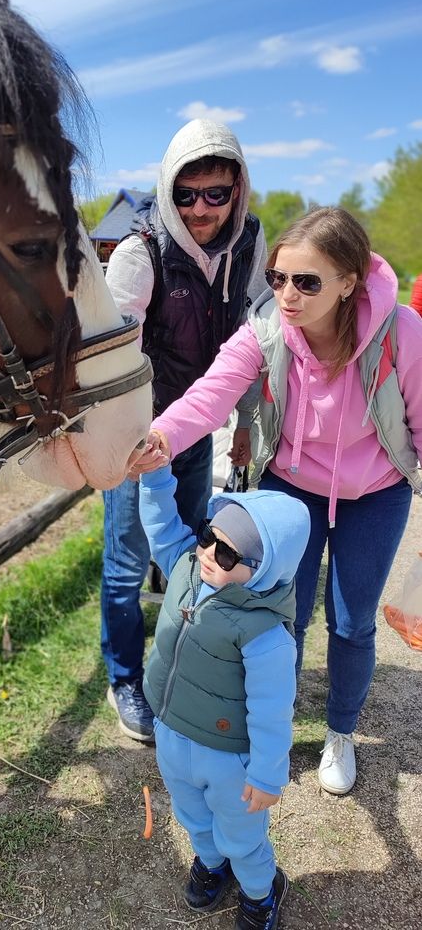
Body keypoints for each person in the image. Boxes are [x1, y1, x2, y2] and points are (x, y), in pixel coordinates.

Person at [135, 206, 422, 793]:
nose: (287, 294)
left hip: (376, 494)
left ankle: (340, 732)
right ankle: (277, 724)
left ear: (349, 283)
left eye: (307, 281)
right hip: (290, 492)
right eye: (278, 278)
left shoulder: (402, 333)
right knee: (277, 616)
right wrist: (161, 436)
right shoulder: (265, 331)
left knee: (351, 622)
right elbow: (209, 397)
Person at [101, 118, 268, 742]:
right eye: (186, 194)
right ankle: (124, 677)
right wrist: (130, 436)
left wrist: (246, 419)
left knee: (194, 549)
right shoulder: (139, 253)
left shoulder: (250, 245)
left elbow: (254, 339)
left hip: (197, 426)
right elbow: (115, 357)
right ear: (169, 191)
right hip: (139, 432)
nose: (200, 209)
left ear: (237, 190)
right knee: (126, 558)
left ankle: (182, 662)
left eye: (215, 194)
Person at [139, 466, 309, 928]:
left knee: (242, 835)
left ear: (261, 569)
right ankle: (211, 864)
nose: (210, 553)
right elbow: (160, 525)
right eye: (208, 536)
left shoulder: (266, 634)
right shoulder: (187, 566)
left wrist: (268, 775)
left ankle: (259, 892)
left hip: (228, 756)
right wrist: (154, 478)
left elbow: (273, 711)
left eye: (228, 551)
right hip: (172, 731)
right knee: (190, 813)